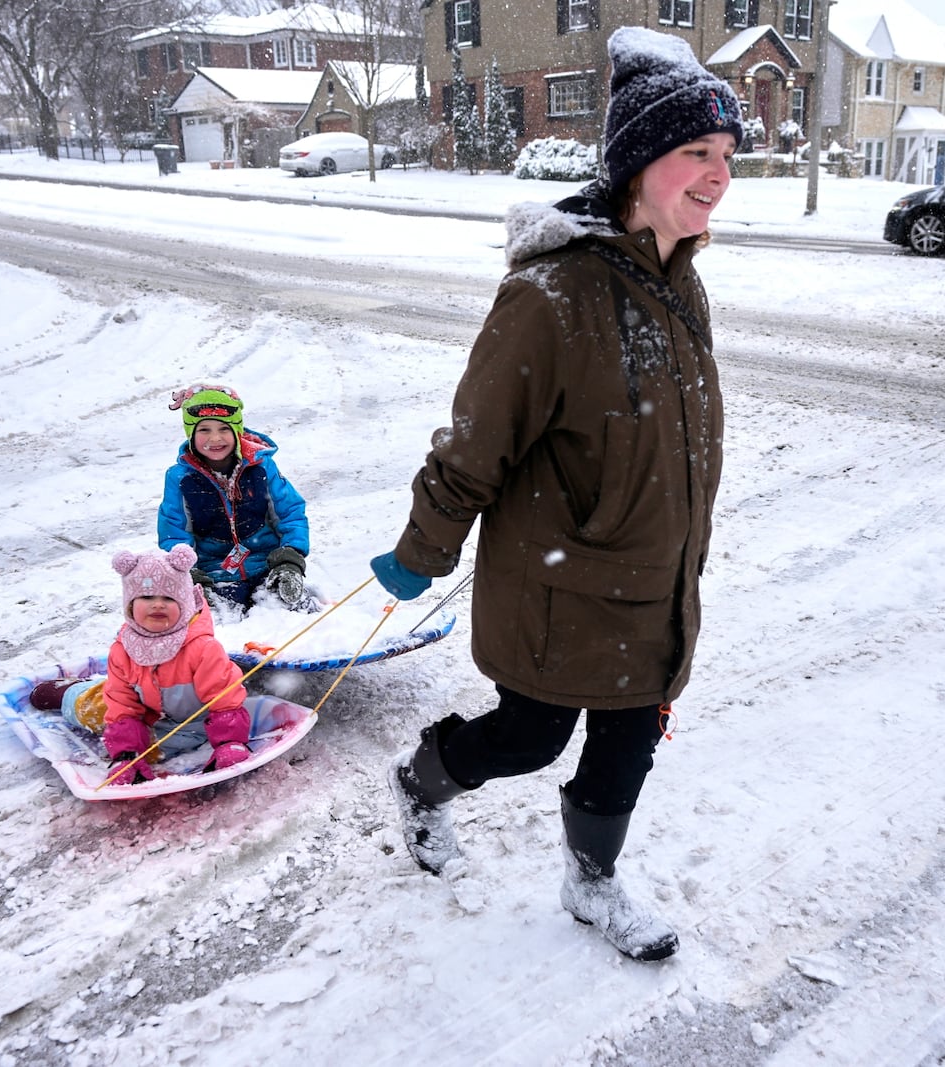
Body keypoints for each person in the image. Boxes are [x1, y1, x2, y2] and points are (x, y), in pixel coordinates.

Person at [370, 26, 744, 963]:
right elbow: (476, 441)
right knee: (530, 738)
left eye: (727, 155)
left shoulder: (677, 280)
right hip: (562, 584)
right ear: (636, 161)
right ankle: (423, 781)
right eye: (695, 153)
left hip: (657, 579)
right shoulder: (552, 294)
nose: (717, 175)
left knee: (629, 745)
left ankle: (593, 882)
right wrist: (423, 549)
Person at [30, 544, 252, 780]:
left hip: (186, 720)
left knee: (162, 747)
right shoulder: (124, 650)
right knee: (98, 710)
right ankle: (70, 692)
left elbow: (225, 700)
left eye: (168, 597)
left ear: (185, 604)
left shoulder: (203, 648)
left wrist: (229, 742)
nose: (157, 604)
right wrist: (127, 755)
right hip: (142, 709)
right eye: (146, 597)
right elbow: (122, 706)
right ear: (130, 605)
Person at [158, 383, 312, 614]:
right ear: (191, 433)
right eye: (204, 430)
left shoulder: (261, 467)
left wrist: (289, 558)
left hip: (267, 565)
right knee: (215, 620)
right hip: (215, 573)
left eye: (223, 428)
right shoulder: (180, 478)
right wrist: (187, 572)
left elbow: (290, 512)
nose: (215, 438)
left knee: (287, 609)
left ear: (237, 429)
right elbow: (175, 531)